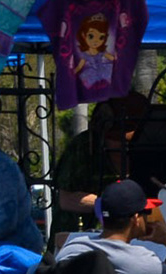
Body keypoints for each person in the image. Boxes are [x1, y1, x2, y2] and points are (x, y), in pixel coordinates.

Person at [54, 91, 150, 222]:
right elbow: (66, 200)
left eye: (131, 142)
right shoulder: (82, 147)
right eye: (119, 140)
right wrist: (109, 204)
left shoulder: (147, 152)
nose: (126, 147)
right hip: (81, 229)